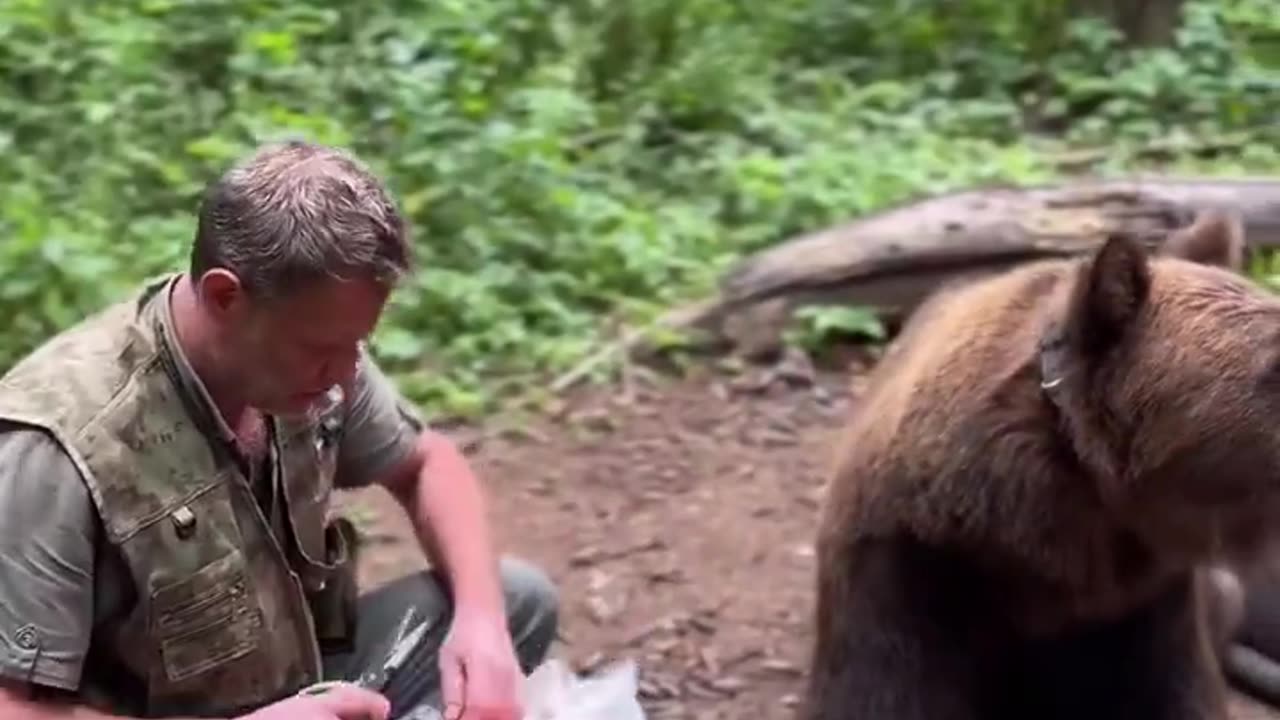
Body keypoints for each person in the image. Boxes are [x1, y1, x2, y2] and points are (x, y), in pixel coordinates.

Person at [0, 140, 559, 720]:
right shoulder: (57, 447)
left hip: (297, 689)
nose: (344, 377)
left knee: (515, 599)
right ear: (224, 297)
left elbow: (427, 463)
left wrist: (481, 627)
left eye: (357, 346)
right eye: (322, 350)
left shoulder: (302, 350)